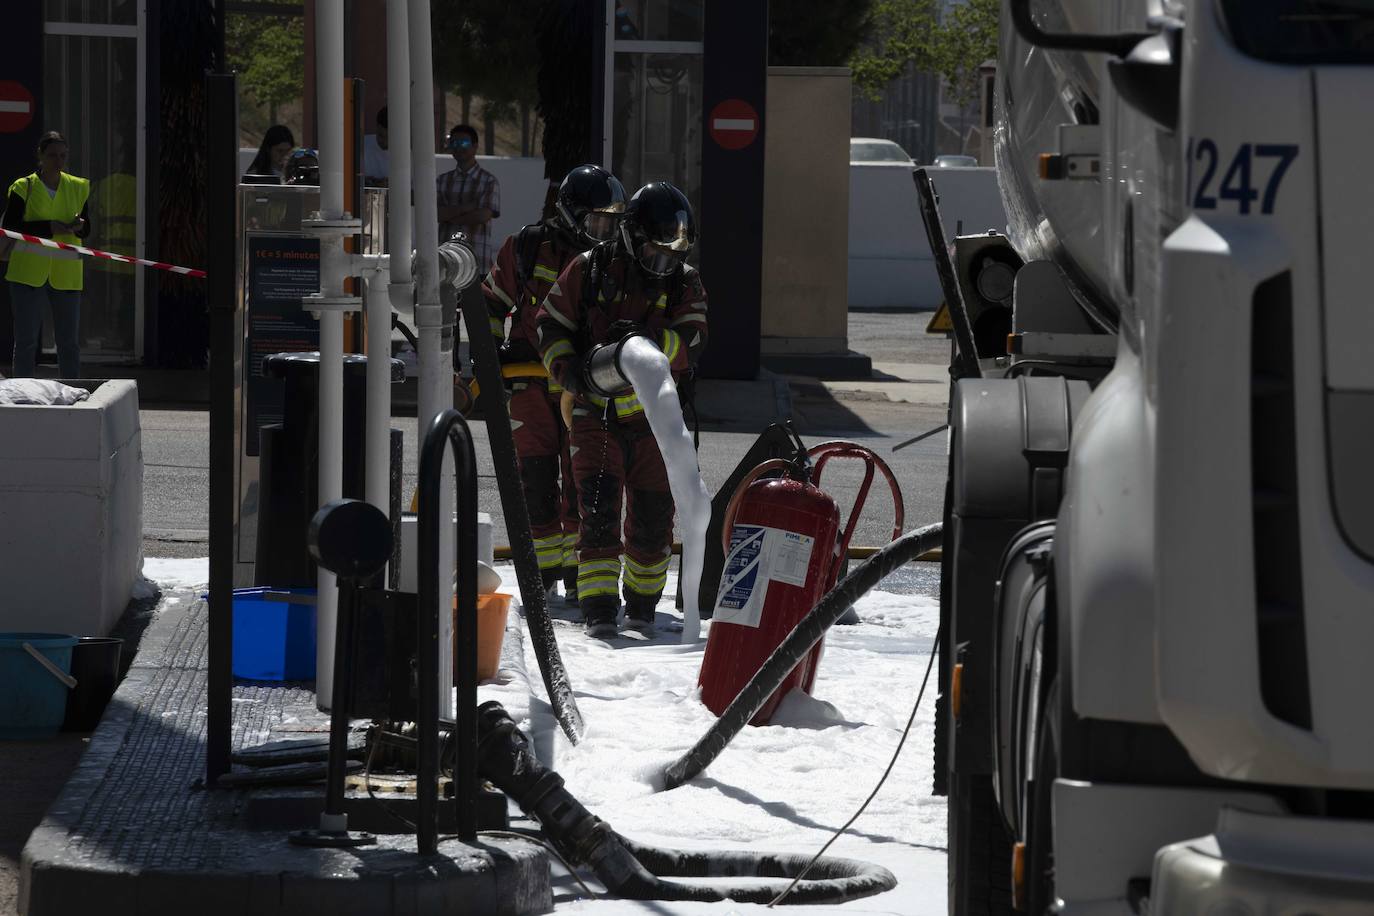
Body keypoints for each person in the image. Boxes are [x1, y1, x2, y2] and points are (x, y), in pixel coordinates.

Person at [536, 182, 708, 637]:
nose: (662, 266)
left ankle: (643, 609)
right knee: (597, 512)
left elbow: (693, 336)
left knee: (654, 521)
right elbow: (549, 324)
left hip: (658, 422)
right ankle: (597, 612)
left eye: (670, 257)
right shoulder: (589, 270)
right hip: (598, 416)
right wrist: (569, 372)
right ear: (631, 237)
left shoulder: (683, 281)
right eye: (654, 255)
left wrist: (651, 345)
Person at [484, 164, 627, 608]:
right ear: (570, 214)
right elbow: (490, 303)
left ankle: (577, 575)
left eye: (610, 222)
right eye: (595, 221)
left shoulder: (615, 262)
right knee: (536, 481)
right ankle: (541, 574)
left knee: (586, 485)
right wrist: (485, 365)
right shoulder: (527, 248)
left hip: (584, 388)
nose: (603, 232)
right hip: (527, 386)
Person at [4, 130, 91, 379]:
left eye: (63, 156)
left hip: (66, 275)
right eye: (52, 155)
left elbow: (88, 227)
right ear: (40, 156)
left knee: (69, 343)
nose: (58, 161)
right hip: (27, 274)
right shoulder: (24, 186)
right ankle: (21, 394)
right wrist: (48, 227)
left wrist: (80, 225)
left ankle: (71, 393)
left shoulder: (77, 187)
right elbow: (11, 227)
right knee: (26, 343)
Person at [436, 124, 500, 271]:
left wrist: (449, 216)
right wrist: (467, 207)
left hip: (477, 263)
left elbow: (483, 216)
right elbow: (435, 214)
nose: (458, 147)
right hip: (445, 264)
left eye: (463, 143)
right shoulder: (441, 181)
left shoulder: (489, 181)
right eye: (454, 143)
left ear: (475, 146)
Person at [363, 106, 389, 187]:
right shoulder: (362, 145)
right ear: (376, 127)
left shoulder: (409, 154)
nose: (384, 142)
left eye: (389, 138)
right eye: (381, 135)